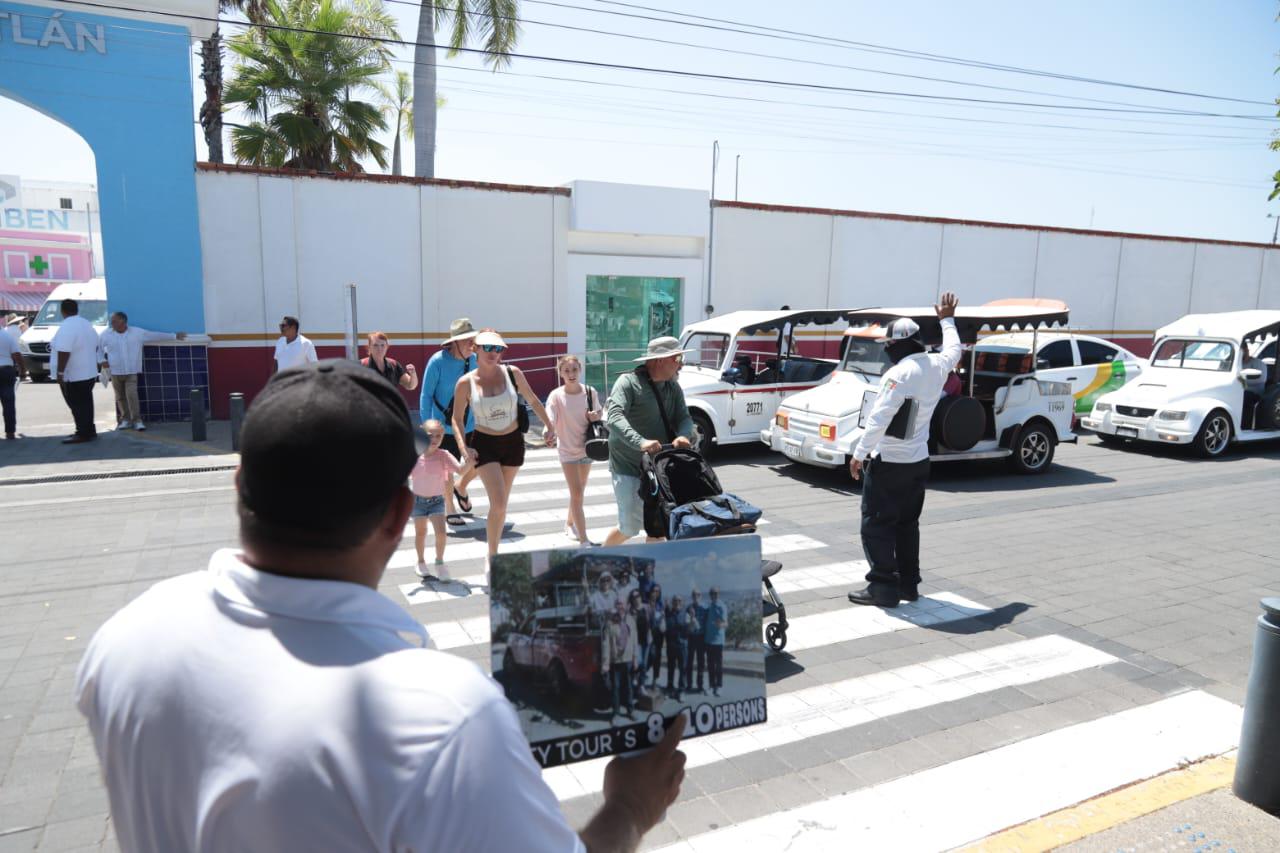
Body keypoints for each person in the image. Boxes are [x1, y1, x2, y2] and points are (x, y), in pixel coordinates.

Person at [74, 359, 687, 853]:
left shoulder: (126, 639)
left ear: (241, 485)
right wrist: (630, 809)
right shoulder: (440, 715)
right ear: (400, 515)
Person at [847, 291, 962, 609]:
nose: (887, 352)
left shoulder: (899, 374)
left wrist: (859, 454)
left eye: (888, 347)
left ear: (897, 345)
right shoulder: (938, 365)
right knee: (907, 525)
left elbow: (879, 418)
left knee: (876, 523)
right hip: (919, 462)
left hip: (890, 464)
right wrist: (947, 320)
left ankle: (883, 588)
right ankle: (909, 585)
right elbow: (955, 349)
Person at [451, 329, 557, 564]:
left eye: (498, 348)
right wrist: (462, 447)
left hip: (513, 443)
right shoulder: (465, 383)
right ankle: (493, 558)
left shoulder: (513, 373)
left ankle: (492, 551)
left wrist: (550, 426)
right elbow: (456, 419)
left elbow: (532, 400)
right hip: (484, 444)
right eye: (487, 347)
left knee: (501, 507)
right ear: (474, 348)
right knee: (498, 502)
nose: (493, 353)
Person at [604, 337, 696, 546]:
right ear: (660, 360)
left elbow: (684, 417)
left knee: (658, 526)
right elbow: (614, 416)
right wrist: (640, 442)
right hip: (628, 466)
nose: (681, 363)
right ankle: (596, 561)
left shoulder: (673, 387)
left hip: (657, 469)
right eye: (677, 358)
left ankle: (654, 571)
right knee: (629, 527)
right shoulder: (628, 383)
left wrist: (683, 434)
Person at [421, 318, 480, 526]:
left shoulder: (475, 360)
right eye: (466, 340)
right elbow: (426, 395)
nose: (471, 344)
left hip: (469, 424)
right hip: (442, 426)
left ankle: (460, 487)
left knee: (479, 462)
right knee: (445, 467)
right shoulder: (437, 361)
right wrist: (426, 425)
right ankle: (450, 507)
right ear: (454, 342)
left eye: (472, 339)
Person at [545, 354, 604, 545]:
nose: (571, 374)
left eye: (574, 370)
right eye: (566, 370)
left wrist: (595, 415)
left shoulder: (589, 392)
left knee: (578, 492)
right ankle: (584, 540)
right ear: (560, 373)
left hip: (587, 448)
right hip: (567, 451)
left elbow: (599, 412)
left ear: (580, 370)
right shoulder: (556, 395)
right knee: (577, 494)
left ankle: (570, 523)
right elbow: (550, 416)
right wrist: (548, 430)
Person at [96, 311, 186, 431]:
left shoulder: (137, 333)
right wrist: (102, 361)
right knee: (120, 397)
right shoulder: (106, 334)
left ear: (122, 321)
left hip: (131, 371)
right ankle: (126, 420)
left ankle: (137, 420)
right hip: (115, 371)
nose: (112, 323)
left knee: (132, 395)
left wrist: (174, 336)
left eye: (114, 321)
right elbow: (98, 349)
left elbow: (154, 335)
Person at [410, 419, 465, 581]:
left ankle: (440, 563)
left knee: (441, 533)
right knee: (421, 533)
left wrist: (470, 462)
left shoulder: (444, 455)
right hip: (418, 502)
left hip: (436, 502)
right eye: (429, 435)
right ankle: (420, 562)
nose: (434, 439)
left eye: (438, 436)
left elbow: (461, 470)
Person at [50, 298, 101, 444]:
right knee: (86, 403)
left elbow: (64, 351)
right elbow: (95, 345)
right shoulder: (86, 324)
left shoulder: (67, 326)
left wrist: (60, 373)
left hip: (73, 375)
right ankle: (89, 430)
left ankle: (82, 433)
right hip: (88, 372)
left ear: (63, 311)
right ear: (76, 309)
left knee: (77, 405)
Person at [601, 600, 638, 722]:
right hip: (615, 660)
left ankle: (630, 710)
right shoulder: (609, 622)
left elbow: (634, 641)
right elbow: (605, 644)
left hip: (628, 659)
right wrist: (605, 663)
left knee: (628, 687)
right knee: (615, 687)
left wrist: (635, 658)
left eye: (622, 604)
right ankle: (616, 713)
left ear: (626, 605)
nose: (620, 606)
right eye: (617, 604)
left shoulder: (631, 620)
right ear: (615, 606)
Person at [0, 323, 25, 439]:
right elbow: (17, 354)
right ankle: (10, 432)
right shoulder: (7, 336)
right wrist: (22, 370)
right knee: (8, 403)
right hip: (6, 370)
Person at [704, 587, 728, 698]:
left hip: (718, 641)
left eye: (716, 593)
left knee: (718, 665)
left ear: (719, 594)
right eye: (712, 593)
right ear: (710, 595)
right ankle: (711, 685)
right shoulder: (709, 606)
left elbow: (725, 623)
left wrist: (720, 625)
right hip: (709, 640)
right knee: (710, 665)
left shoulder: (722, 606)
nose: (714, 595)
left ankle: (719, 686)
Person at [664, 594, 688, 701]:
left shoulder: (685, 614)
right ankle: (670, 688)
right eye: (675, 601)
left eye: (679, 601)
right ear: (672, 603)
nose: (677, 602)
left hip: (682, 645)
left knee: (683, 668)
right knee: (670, 668)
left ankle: (681, 690)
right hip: (671, 645)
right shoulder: (668, 613)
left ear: (682, 603)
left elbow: (691, 629)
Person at [628, 589, 650, 693]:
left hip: (646, 640)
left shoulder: (646, 607)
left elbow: (651, 622)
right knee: (637, 662)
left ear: (640, 597)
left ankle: (642, 685)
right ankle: (634, 681)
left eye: (638, 596)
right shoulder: (630, 610)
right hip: (636, 641)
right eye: (634, 597)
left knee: (644, 664)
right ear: (632, 600)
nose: (636, 598)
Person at [687, 589, 708, 695]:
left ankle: (700, 685)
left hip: (701, 638)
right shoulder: (688, 609)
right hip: (691, 637)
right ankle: (689, 684)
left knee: (701, 662)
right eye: (694, 595)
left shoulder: (705, 608)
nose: (696, 596)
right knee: (689, 662)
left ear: (700, 596)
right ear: (692, 596)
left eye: (698, 594)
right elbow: (687, 626)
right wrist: (691, 618)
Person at [645, 584, 665, 689]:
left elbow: (662, 619)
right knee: (649, 656)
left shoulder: (660, 605)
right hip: (648, 635)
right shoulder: (646, 604)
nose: (655, 593)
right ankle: (643, 676)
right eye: (654, 591)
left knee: (657, 658)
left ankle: (654, 680)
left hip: (658, 636)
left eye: (658, 591)